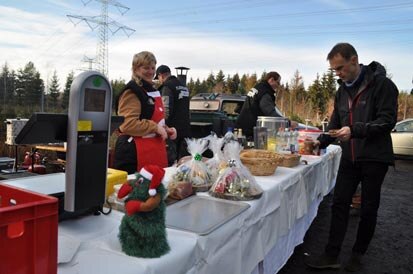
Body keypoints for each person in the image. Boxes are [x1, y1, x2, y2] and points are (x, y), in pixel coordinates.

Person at [305, 43, 398, 272]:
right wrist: (320, 142)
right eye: (334, 70)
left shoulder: (383, 85)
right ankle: (331, 254)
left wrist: (354, 130)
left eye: (341, 68)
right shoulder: (341, 91)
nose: (338, 74)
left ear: (354, 60)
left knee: (368, 208)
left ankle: (357, 255)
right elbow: (336, 123)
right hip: (350, 158)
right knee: (339, 204)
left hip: (374, 158)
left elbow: (387, 121)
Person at [113, 51, 177, 174]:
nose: (151, 72)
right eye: (146, 68)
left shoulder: (151, 90)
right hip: (134, 154)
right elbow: (128, 124)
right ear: (136, 69)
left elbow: (154, 119)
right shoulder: (132, 92)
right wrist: (155, 128)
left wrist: (166, 129)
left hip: (153, 151)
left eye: (153, 68)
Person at [235, 71, 292, 139]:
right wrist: (287, 122)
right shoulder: (265, 92)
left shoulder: (258, 87)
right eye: (278, 82)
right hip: (249, 131)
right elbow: (269, 112)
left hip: (243, 128)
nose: (278, 85)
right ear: (271, 80)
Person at [155, 65, 191, 165]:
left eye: (158, 78)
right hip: (185, 130)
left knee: (170, 161)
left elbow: (166, 109)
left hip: (172, 131)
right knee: (184, 161)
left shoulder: (167, 87)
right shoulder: (184, 87)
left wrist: (163, 127)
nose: (159, 81)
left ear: (161, 75)